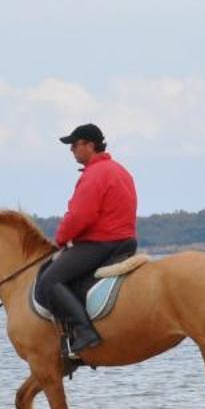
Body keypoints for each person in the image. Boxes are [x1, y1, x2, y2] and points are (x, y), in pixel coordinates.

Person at [40, 123, 139, 355]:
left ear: (90, 145)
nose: (71, 149)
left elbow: (80, 215)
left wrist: (61, 239)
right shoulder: (120, 170)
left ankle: (85, 331)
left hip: (101, 244)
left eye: (75, 144)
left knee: (48, 281)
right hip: (125, 241)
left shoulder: (95, 174)